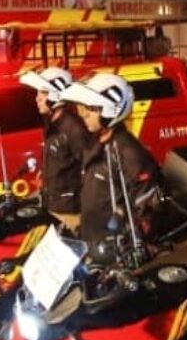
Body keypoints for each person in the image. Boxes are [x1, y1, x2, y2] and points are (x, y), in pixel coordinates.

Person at [61, 72, 161, 246]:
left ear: (110, 111)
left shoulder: (129, 152)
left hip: (115, 250)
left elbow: (146, 208)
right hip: (92, 242)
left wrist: (127, 236)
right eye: (84, 108)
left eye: (91, 109)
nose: (84, 115)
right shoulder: (95, 144)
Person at [20, 67, 92, 231]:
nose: (37, 98)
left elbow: (91, 168)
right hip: (54, 207)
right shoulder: (52, 125)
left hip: (70, 212)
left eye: (42, 93)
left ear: (56, 95)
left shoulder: (74, 128)